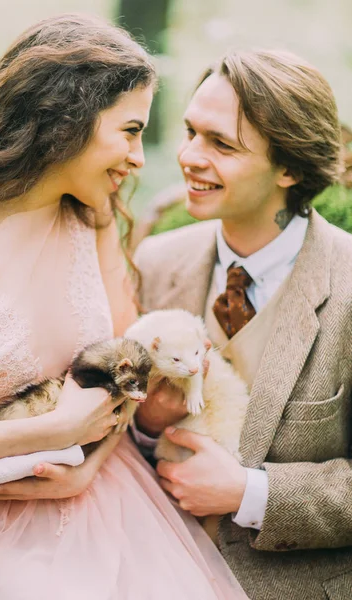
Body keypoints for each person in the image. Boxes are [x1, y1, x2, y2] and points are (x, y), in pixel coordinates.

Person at [0, 14, 248, 600]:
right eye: (130, 130)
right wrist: (55, 429)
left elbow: (129, 374)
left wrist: (87, 464)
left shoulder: (94, 218)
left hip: (112, 493)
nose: (140, 158)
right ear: (66, 121)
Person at [133, 48, 352, 600]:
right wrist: (147, 427)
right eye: (190, 132)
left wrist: (251, 494)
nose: (189, 156)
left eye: (221, 144)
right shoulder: (156, 262)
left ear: (291, 168)